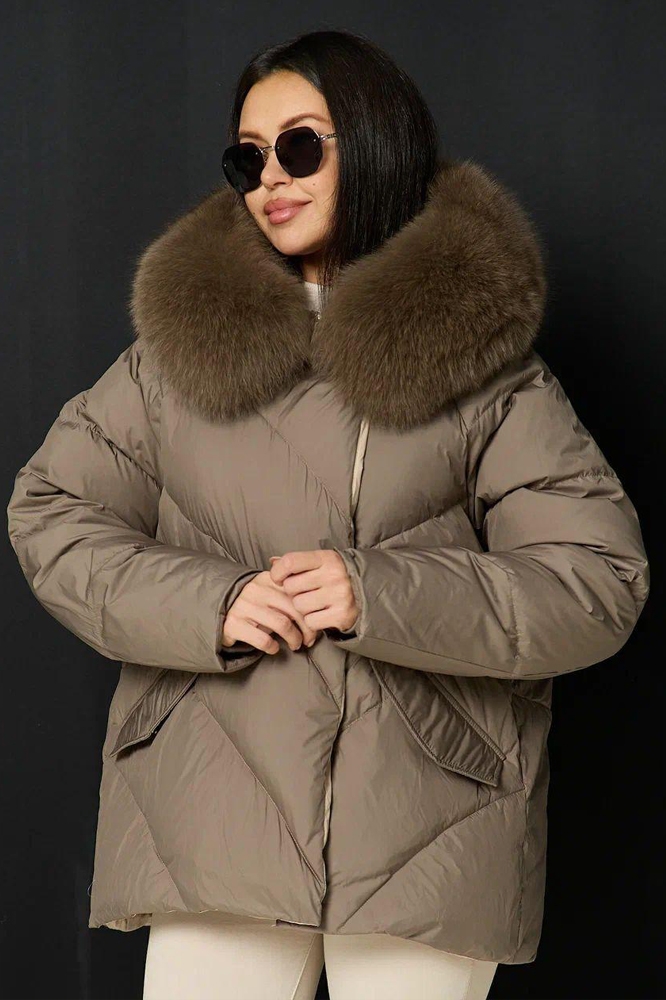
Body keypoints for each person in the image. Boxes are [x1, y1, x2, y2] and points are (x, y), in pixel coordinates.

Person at [7, 28, 649, 1000]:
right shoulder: (172, 359)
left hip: (429, 821)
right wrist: (210, 603)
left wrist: (379, 593)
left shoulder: (487, 372)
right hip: (212, 812)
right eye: (248, 157)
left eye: (301, 146)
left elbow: (596, 580)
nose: (271, 176)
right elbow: (52, 510)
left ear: (378, 142)